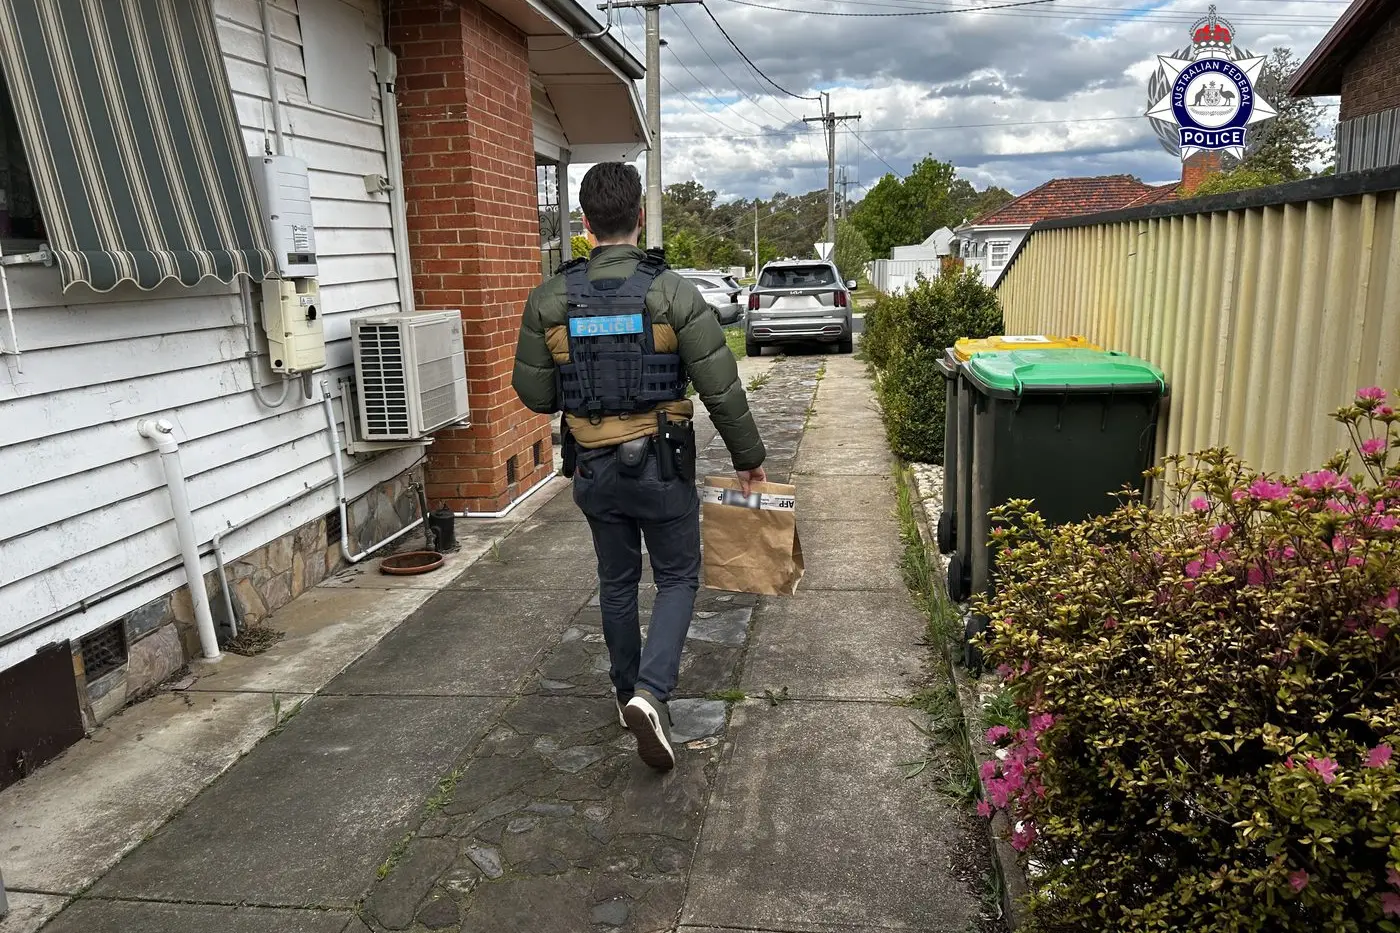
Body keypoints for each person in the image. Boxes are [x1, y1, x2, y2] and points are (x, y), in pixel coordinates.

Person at [511, 162, 766, 772]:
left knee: (617, 581)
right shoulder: (672, 291)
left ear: (584, 221)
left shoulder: (550, 298)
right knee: (677, 576)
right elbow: (720, 387)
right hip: (662, 465)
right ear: (640, 216)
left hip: (594, 469)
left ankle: (627, 692)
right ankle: (652, 693)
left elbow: (537, 396)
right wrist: (749, 461)